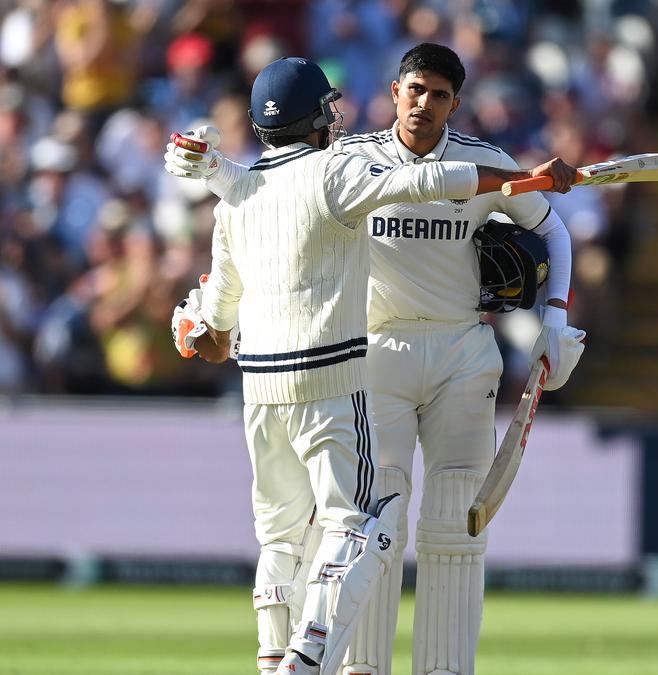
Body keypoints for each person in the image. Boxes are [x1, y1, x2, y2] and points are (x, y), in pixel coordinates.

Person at [165, 44, 586, 675]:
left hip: (460, 351)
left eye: (439, 94)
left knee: (453, 523)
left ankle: (434, 668)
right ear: (394, 91)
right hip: (372, 351)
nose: (424, 104)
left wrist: (553, 316)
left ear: (455, 102)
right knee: (372, 516)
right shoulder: (348, 161)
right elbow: (282, 182)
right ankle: (353, 664)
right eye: (415, 89)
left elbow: (553, 230)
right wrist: (215, 166)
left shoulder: (483, 158)